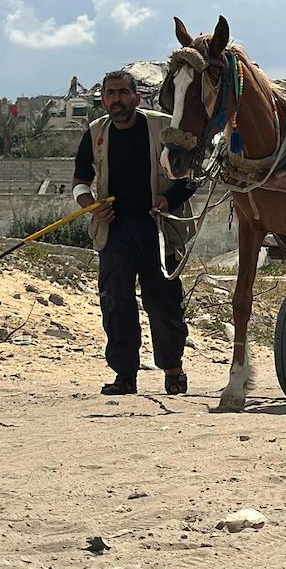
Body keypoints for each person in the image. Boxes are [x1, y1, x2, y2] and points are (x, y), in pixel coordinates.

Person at [72, 70, 195, 396]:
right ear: (103, 100)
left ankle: (173, 370)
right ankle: (125, 375)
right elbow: (80, 183)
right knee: (115, 302)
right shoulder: (95, 133)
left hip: (158, 228)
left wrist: (168, 198)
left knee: (164, 301)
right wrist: (92, 206)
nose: (117, 100)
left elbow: (190, 176)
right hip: (115, 230)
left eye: (123, 93)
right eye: (110, 94)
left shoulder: (163, 127)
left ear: (136, 97)